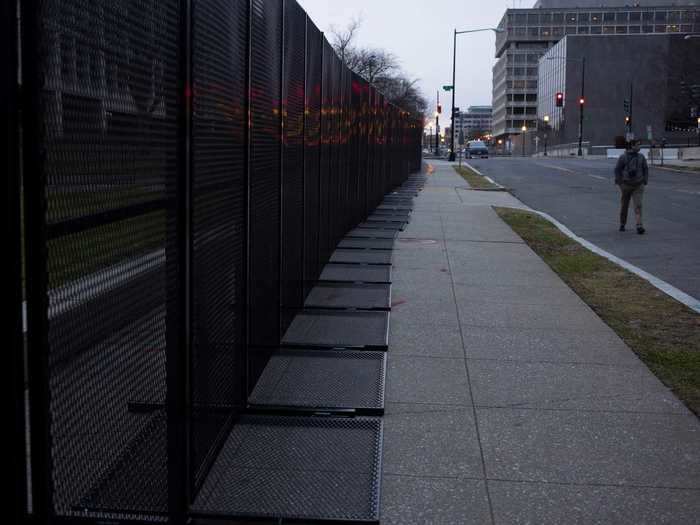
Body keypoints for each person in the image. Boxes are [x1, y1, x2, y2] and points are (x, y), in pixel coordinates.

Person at [614, 140, 649, 234]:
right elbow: (617, 170)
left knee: (638, 205)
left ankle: (639, 225)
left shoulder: (641, 157)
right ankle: (622, 223)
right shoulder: (623, 157)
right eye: (638, 145)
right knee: (624, 205)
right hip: (626, 185)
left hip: (638, 185)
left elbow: (645, 168)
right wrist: (620, 183)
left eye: (639, 145)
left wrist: (645, 180)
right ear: (632, 146)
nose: (639, 147)